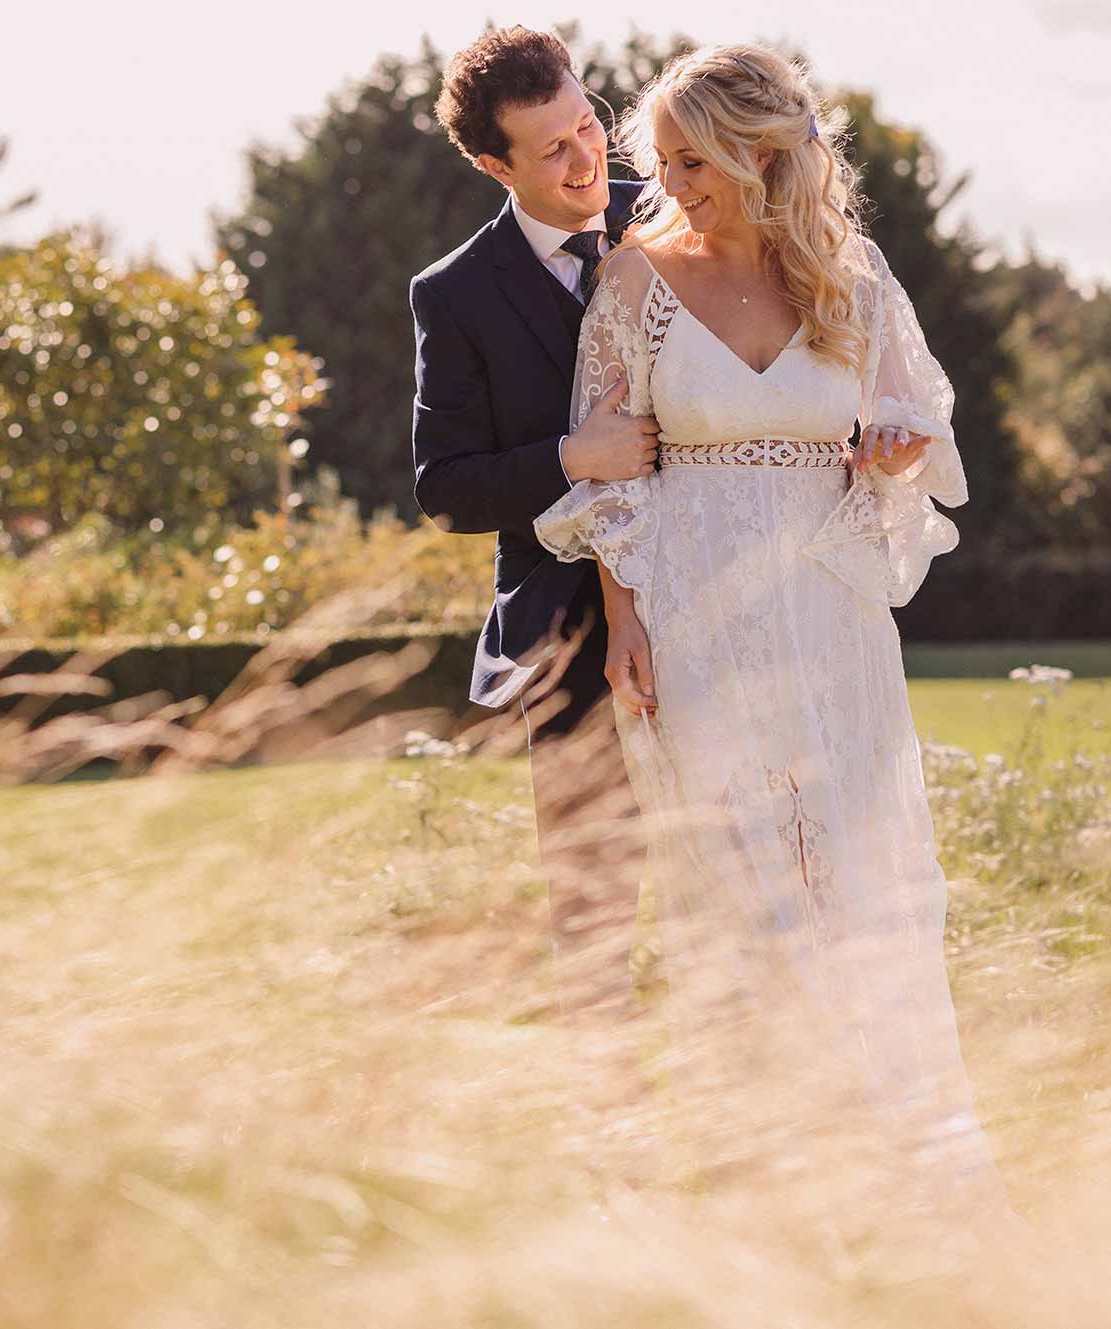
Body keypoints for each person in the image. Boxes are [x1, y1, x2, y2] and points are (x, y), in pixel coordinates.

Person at [534, 42, 1007, 1210]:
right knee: (737, 872)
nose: (668, 183)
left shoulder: (850, 276)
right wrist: (624, 621)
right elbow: (613, 480)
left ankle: (886, 1153)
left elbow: (916, 434)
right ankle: (772, 1164)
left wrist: (888, 454)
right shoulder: (634, 283)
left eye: (692, 161)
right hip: (694, 611)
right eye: (662, 160)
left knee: (849, 862)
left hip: (828, 612)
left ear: (759, 155)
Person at [410, 27, 660, 1011]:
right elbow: (446, 486)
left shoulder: (680, 214)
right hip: (563, 627)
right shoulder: (454, 295)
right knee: (593, 899)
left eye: (586, 124)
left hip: (715, 579)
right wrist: (571, 458)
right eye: (550, 148)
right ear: (492, 166)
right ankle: (602, 1082)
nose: (586, 156)